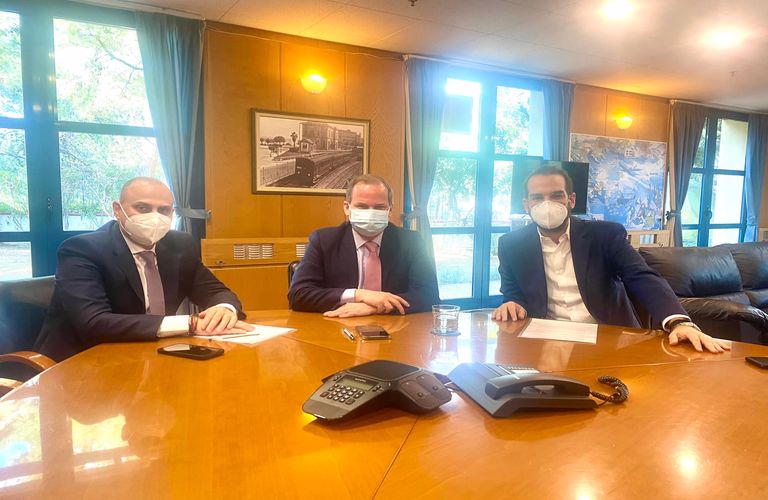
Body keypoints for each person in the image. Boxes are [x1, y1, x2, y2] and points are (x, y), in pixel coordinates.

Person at [492, 166, 730, 354]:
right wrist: (512, 303)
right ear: (526, 204)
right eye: (537, 197)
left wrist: (679, 322)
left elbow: (641, 277)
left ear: (571, 200)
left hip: (609, 337)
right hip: (548, 340)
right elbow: (513, 292)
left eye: (556, 196)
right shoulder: (511, 245)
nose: (547, 204)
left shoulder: (605, 235)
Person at [36, 177, 248, 361]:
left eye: (163, 210)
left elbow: (216, 291)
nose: (155, 217)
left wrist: (224, 309)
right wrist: (190, 323)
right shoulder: (83, 249)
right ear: (117, 210)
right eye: (143, 208)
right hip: (82, 360)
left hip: (152, 353)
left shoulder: (180, 245)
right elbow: (93, 323)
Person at [288, 174, 439, 318]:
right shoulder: (324, 240)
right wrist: (359, 295)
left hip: (394, 326)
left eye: (379, 207)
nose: (371, 213)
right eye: (361, 206)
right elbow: (298, 294)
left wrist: (375, 307)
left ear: (390, 210)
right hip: (338, 325)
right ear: (347, 208)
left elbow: (428, 295)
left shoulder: (411, 241)